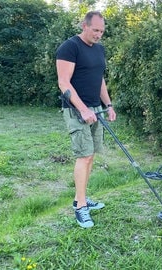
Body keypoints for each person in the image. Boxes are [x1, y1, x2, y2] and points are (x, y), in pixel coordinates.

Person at [56, 11, 116, 228]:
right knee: (84, 156)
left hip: (95, 109)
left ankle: (80, 198)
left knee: (90, 157)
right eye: (95, 30)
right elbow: (64, 83)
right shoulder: (70, 47)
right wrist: (82, 109)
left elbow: (99, 79)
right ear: (84, 25)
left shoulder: (99, 49)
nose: (99, 34)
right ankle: (80, 207)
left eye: (102, 31)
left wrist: (108, 105)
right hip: (76, 110)